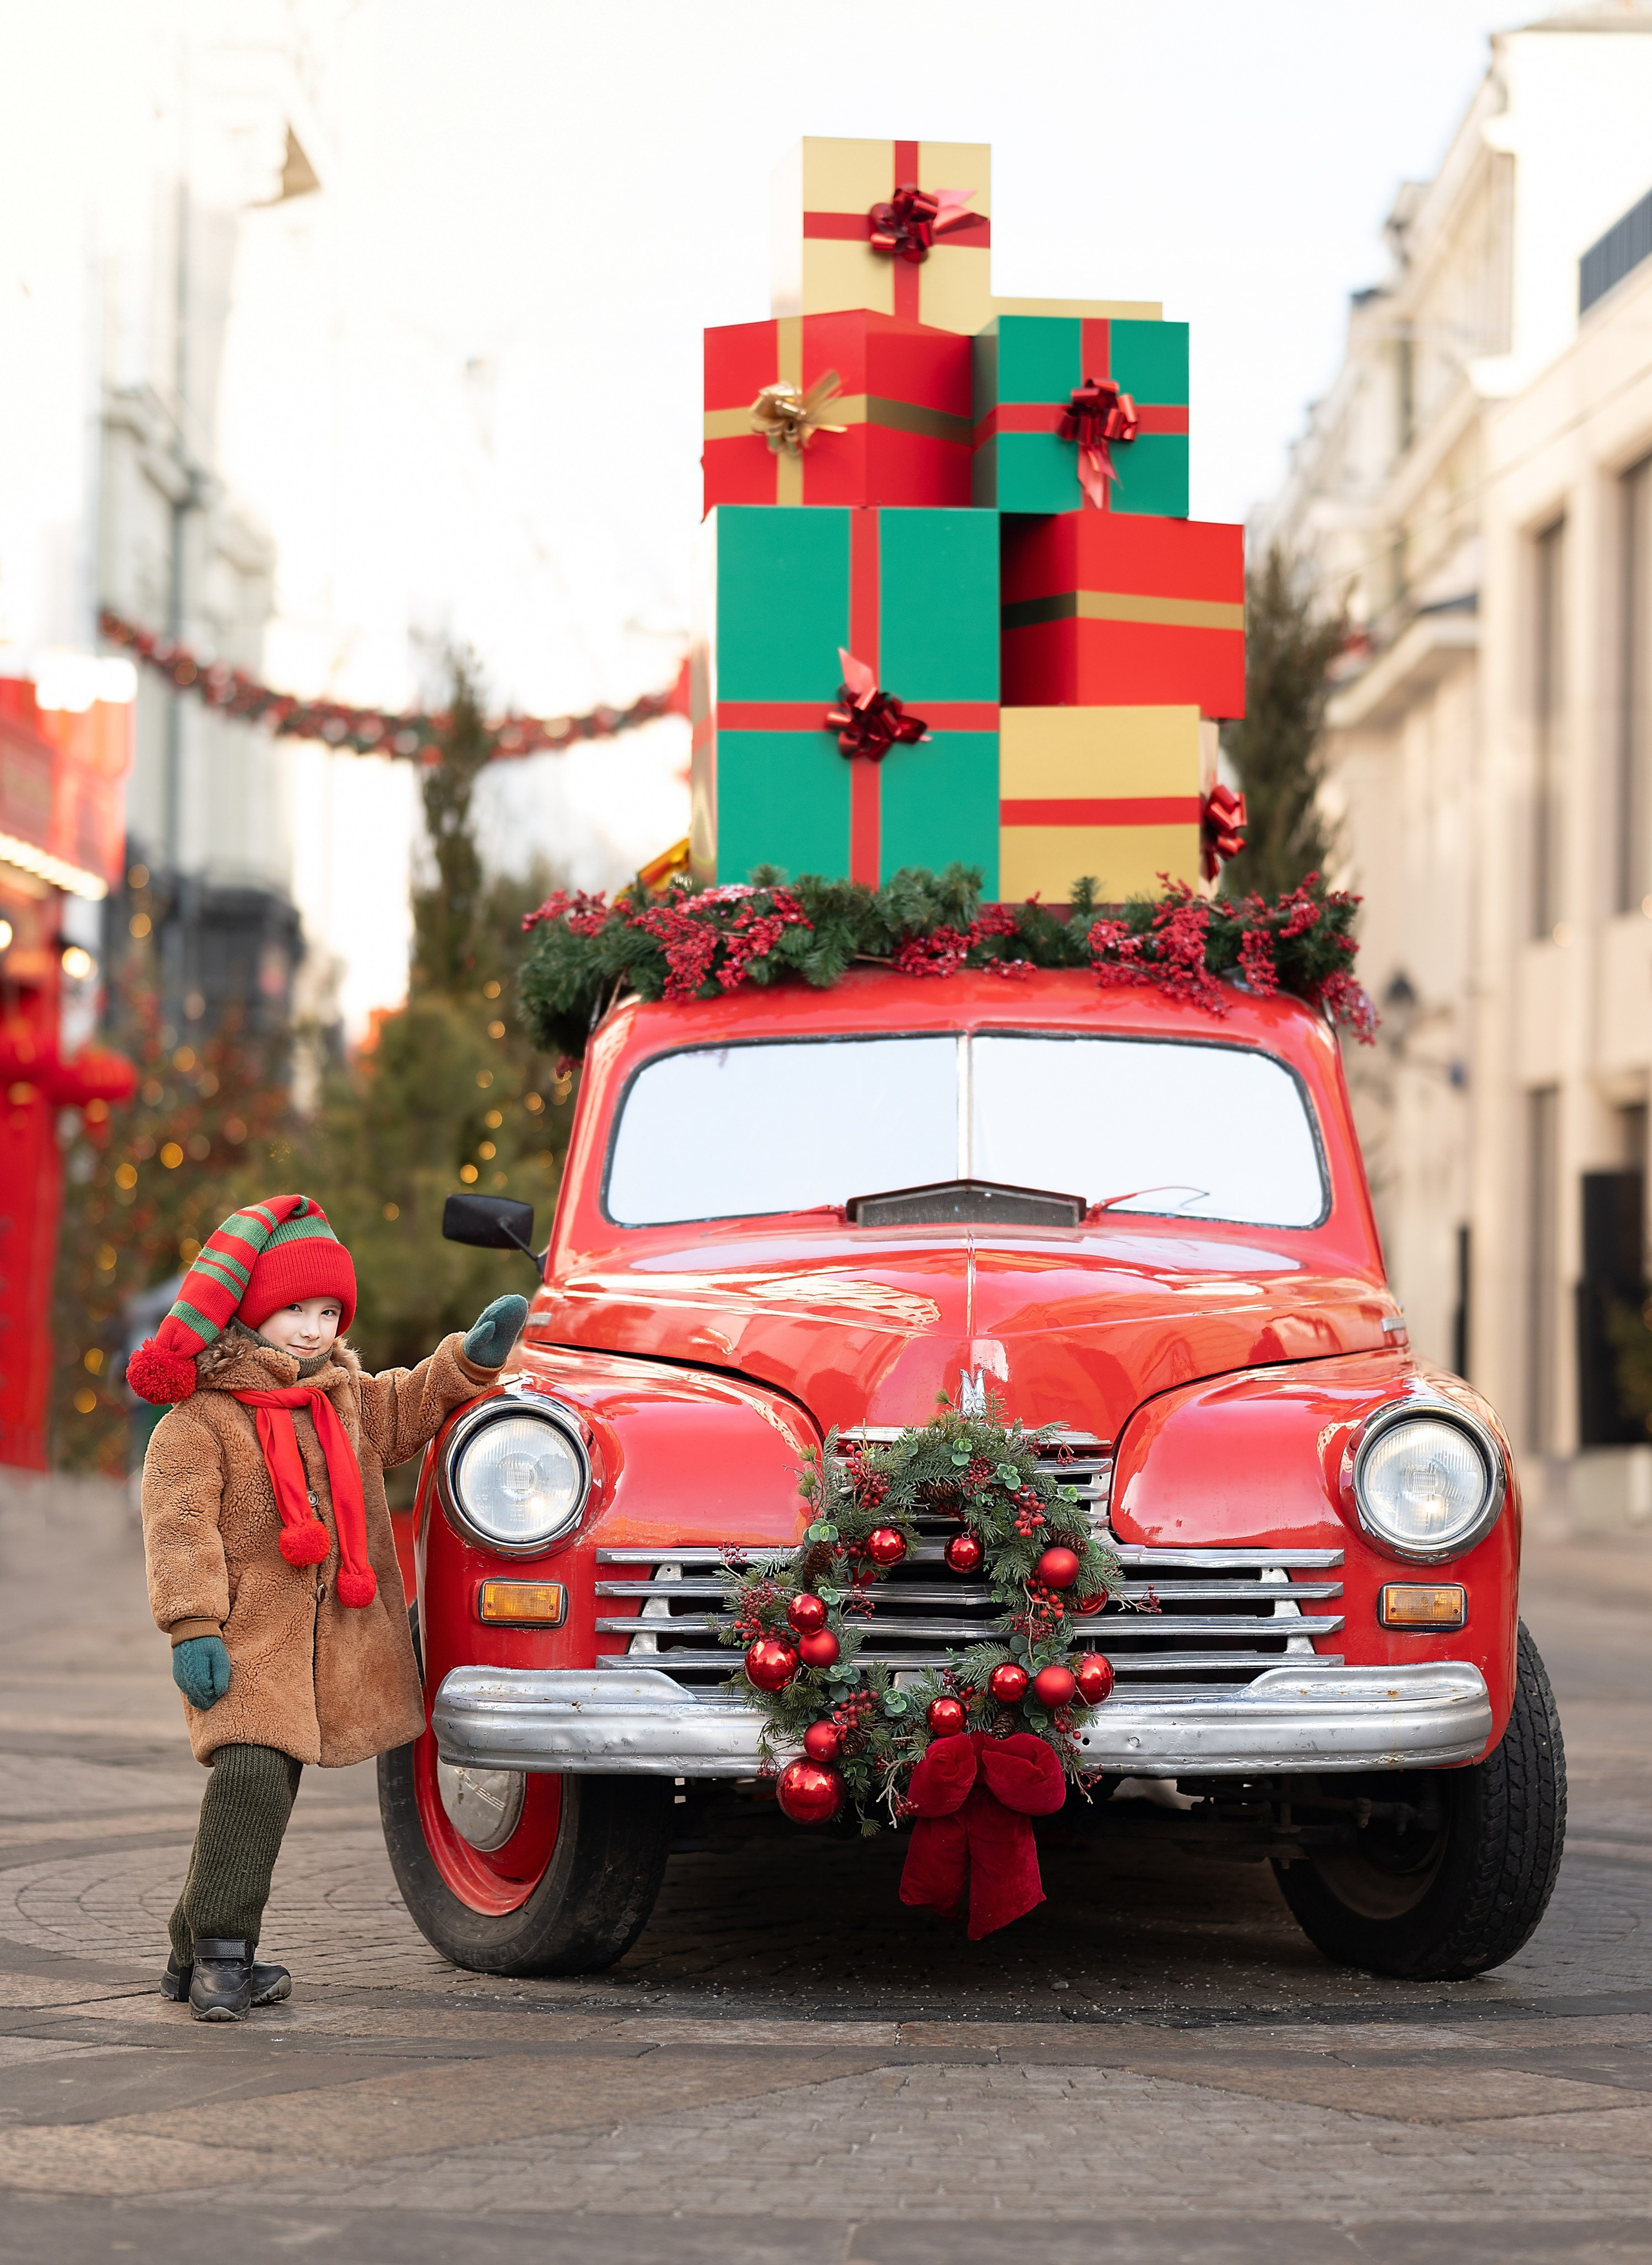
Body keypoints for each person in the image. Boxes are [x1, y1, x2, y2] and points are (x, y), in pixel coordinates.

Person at [129, 1193, 528, 2021]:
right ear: (249, 1310)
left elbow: (406, 1406)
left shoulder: (338, 1401)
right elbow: (179, 1531)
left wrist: (466, 1362)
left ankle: (187, 1951)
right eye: (293, 1310)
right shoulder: (199, 1422)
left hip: (319, 1646)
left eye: (327, 1312)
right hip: (244, 1637)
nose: (312, 1330)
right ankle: (222, 1963)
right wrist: (192, 1626)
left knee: (263, 1783)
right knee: (251, 1776)